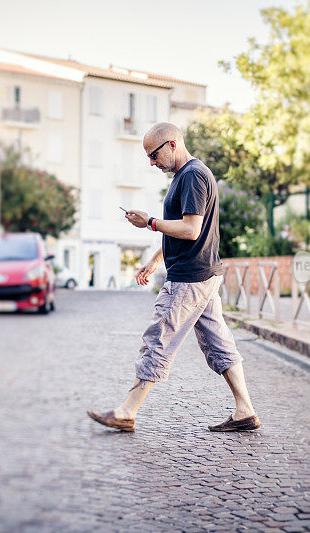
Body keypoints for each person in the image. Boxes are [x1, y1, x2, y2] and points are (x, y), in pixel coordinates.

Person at [87, 122, 260, 432]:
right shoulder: (186, 175)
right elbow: (181, 228)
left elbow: (192, 230)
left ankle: (127, 411)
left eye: (153, 155)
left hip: (190, 279)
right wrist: (156, 259)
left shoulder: (193, 175)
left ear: (172, 144)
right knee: (218, 343)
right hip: (203, 274)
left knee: (159, 339)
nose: (152, 162)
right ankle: (245, 409)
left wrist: (150, 222)